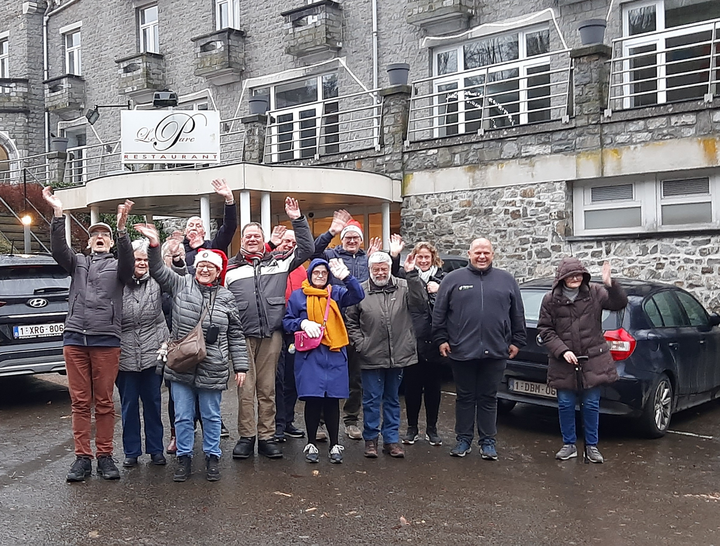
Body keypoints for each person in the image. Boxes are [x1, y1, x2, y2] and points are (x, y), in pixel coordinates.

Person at [136, 223, 248, 482]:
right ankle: (184, 458)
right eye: (201, 266)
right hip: (181, 364)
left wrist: (240, 366)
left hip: (213, 365)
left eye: (210, 266)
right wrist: (154, 246)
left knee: (211, 416)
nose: (205, 269)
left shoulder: (226, 297)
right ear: (195, 268)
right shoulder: (181, 285)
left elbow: (235, 333)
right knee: (183, 416)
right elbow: (157, 270)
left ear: (218, 271)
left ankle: (212, 457)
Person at [43, 186, 134, 482]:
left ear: (109, 242)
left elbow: (130, 264)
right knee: (80, 402)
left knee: (105, 402)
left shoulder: (118, 265)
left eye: (104, 235)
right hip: (75, 340)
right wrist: (58, 213)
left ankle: (105, 456)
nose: (99, 237)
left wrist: (121, 229)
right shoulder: (78, 263)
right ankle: (82, 458)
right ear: (89, 240)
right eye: (95, 234)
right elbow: (58, 250)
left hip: (106, 341)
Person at [226, 197, 313, 460]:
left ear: (263, 239)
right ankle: (246, 436)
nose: (252, 239)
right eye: (248, 236)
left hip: (272, 334)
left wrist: (297, 219)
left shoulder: (280, 261)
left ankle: (266, 436)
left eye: (256, 235)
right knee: (246, 389)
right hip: (242, 335)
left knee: (267, 389)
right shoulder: (229, 268)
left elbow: (307, 248)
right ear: (242, 240)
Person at [432, 238, 526, 460]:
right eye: (478, 253)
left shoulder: (506, 280)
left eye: (486, 252)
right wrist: (441, 339)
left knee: (488, 397)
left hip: (495, 350)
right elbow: (439, 313)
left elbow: (517, 314)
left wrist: (517, 341)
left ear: (493, 254)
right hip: (461, 350)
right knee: (465, 397)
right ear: (469, 254)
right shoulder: (453, 279)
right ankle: (463, 440)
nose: (482, 256)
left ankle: (488, 442)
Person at [537, 258, 627, 464]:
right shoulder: (550, 299)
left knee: (592, 404)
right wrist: (563, 350)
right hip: (563, 362)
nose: (576, 278)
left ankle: (592, 447)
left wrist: (610, 284)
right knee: (566, 404)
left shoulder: (595, 292)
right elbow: (545, 330)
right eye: (571, 275)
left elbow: (618, 303)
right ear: (562, 278)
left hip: (593, 359)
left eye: (579, 274)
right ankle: (569, 445)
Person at [283, 258, 364, 463]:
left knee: (332, 399)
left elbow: (358, 295)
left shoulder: (335, 293)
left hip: (334, 351)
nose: (320, 276)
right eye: (316, 272)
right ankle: (311, 442)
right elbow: (287, 321)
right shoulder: (298, 296)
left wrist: (346, 277)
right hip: (310, 354)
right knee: (313, 399)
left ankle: (335, 444)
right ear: (309, 274)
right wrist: (302, 322)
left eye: (324, 273)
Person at [345, 252, 426, 459]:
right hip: (370, 353)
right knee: (371, 399)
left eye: (384, 269)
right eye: (376, 269)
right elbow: (351, 320)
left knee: (392, 399)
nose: (380, 272)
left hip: (398, 352)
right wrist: (360, 343)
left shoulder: (404, 286)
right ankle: (370, 439)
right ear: (369, 270)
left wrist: (412, 275)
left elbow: (420, 304)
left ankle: (391, 440)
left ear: (390, 268)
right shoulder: (360, 291)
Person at [313, 212, 383, 441]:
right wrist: (330, 231)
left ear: (361, 240)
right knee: (327, 374)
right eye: (348, 237)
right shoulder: (331, 255)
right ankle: (321, 421)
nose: (352, 241)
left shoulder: (367, 259)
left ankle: (351, 420)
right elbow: (313, 252)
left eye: (355, 237)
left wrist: (388, 256)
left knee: (356, 376)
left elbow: (382, 278)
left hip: (362, 326)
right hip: (334, 324)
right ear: (342, 239)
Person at [116, 238, 169, 468]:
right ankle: (131, 451)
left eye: (145, 260)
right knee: (128, 406)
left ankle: (156, 449)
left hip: (152, 351)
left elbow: (176, 272)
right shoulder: (118, 283)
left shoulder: (157, 281)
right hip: (124, 353)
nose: (142, 263)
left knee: (153, 403)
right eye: (138, 259)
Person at [397, 241, 446, 447]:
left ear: (433, 259)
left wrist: (440, 289)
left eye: (427, 257)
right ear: (414, 259)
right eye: (420, 257)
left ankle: (432, 428)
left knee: (434, 389)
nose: (424, 260)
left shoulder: (444, 279)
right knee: (412, 388)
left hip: (435, 343)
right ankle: (412, 428)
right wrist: (394, 255)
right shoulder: (406, 277)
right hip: (412, 341)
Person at [269, 227, 308, 442]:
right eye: (286, 242)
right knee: (276, 379)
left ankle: (289, 420)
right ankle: (277, 423)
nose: (289, 246)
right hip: (275, 327)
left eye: (293, 243)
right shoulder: (270, 265)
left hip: (296, 329)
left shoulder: (302, 269)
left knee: (292, 377)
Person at [160, 237, 186, 455]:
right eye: (169, 255)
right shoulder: (157, 281)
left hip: (183, 344)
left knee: (185, 391)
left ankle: (188, 432)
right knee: (172, 392)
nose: (174, 258)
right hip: (159, 342)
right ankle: (175, 434)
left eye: (179, 255)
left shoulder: (187, 280)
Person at [182, 178, 237, 266]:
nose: (194, 228)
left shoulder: (213, 246)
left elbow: (229, 228)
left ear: (204, 233)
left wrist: (229, 200)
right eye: (191, 225)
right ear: (185, 231)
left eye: (198, 225)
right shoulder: (178, 249)